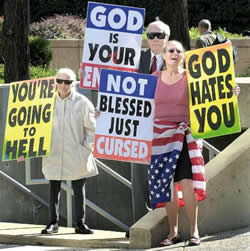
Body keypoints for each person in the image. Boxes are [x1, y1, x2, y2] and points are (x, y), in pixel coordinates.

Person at [150, 40, 240, 247]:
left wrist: (231, 95)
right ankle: (173, 232)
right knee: (169, 186)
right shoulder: (153, 79)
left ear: (183, 56)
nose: (175, 53)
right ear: (163, 55)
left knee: (188, 184)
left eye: (179, 51)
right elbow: (134, 107)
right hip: (160, 139)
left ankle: (193, 231)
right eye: (171, 50)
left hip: (186, 136)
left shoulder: (192, 77)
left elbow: (214, 97)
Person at [41, 68, 98, 235]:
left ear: (74, 83)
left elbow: (93, 128)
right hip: (54, 151)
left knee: (79, 188)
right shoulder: (47, 102)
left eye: (68, 82)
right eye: (60, 81)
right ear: (55, 82)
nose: (63, 85)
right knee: (53, 187)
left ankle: (80, 223)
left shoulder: (83, 102)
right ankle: (53, 223)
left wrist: (86, 146)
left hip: (76, 151)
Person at [130, 20, 171, 226]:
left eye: (160, 35)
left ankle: (163, 225)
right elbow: (114, 86)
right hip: (138, 128)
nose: (155, 39)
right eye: (151, 35)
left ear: (167, 38)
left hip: (167, 129)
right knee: (139, 180)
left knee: (165, 178)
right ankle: (139, 225)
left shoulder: (176, 59)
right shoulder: (134, 60)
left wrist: (231, 91)